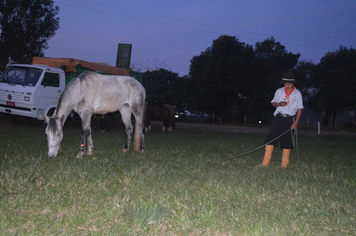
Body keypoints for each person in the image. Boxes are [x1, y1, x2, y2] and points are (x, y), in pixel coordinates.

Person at [259, 71, 303, 168]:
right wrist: (279, 104)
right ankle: (265, 163)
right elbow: (273, 103)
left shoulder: (297, 94)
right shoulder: (279, 91)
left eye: (289, 84)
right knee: (271, 138)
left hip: (289, 119)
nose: (287, 86)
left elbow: (300, 109)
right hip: (278, 118)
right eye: (285, 84)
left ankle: (284, 165)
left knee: (287, 141)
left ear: (293, 83)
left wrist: (296, 123)